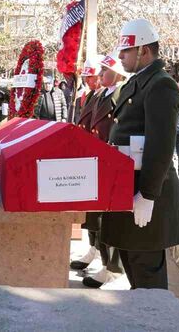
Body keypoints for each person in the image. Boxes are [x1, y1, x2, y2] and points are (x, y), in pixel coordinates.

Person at [101, 19, 179, 289]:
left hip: (146, 193)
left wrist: (148, 195)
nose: (120, 57)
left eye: (126, 51)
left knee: (148, 277)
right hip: (130, 189)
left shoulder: (161, 85)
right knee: (134, 271)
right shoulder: (137, 83)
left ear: (144, 51)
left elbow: (160, 146)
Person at [73, 53, 129, 289]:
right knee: (98, 217)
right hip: (96, 161)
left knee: (110, 218)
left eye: (105, 69)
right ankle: (101, 258)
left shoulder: (121, 93)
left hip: (110, 162)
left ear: (117, 72)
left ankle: (112, 267)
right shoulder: (100, 94)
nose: (99, 74)